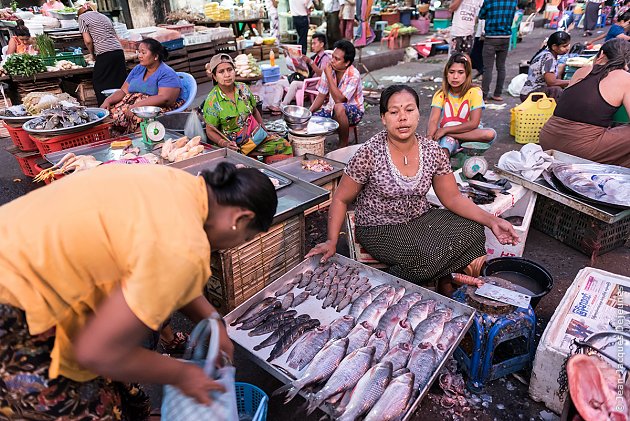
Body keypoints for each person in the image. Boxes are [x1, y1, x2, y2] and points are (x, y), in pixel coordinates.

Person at [0, 162, 278, 419]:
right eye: (247, 237)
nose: (235, 244)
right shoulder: (184, 247)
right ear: (241, 218)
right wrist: (184, 374)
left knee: (120, 389)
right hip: (14, 298)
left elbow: (161, 264)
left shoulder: (177, 184)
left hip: (16, 241)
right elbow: (95, 352)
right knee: (84, 406)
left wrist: (214, 321)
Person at [307, 85, 518, 295]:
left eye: (409, 110)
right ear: (383, 118)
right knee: (429, 254)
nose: (402, 117)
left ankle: (444, 280)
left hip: (420, 217)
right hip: (379, 227)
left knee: (472, 229)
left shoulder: (433, 151)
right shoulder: (369, 153)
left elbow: (452, 198)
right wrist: (332, 241)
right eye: (394, 111)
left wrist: (492, 221)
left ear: (418, 114)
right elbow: (341, 199)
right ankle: (390, 284)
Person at [539, 39, 630, 168]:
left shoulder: (582, 71)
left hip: (548, 137)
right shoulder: (625, 78)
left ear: (601, 54)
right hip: (579, 147)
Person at [203, 53, 292, 157]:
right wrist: (224, 143)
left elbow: (254, 111)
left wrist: (265, 131)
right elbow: (210, 130)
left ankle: (250, 154)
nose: (227, 75)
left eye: (229, 69)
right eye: (221, 72)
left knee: (284, 145)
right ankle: (247, 155)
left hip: (254, 139)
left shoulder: (243, 88)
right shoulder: (212, 101)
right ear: (214, 76)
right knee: (239, 164)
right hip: (232, 146)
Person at [102, 38, 183, 135]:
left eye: (143, 53)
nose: (139, 56)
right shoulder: (138, 69)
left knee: (140, 121)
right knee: (107, 116)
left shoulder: (166, 73)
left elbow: (165, 98)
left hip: (156, 109)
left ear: (156, 56)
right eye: (139, 52)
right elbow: (123, 91)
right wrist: (107, 101)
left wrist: (137, 106)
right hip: (132, 106)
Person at [428, 53, 497, 146]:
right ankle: (448, 139)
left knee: (490, 134)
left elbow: (474, 123)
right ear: (446, 74)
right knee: (445, 144)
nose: (455, 77)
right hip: (446, 135)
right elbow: (433, 120)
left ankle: (451, 135)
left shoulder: (474, 92)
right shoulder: (440, 94)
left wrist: (445, 130)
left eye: (460, 72)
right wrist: (429, 137)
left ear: (467, 74)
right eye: (451, 72)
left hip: (469, 133)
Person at [310, 40, 364, 148]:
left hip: (354, 112)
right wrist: (307, 113)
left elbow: (340, 100)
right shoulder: (330, 69)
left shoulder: (353, 74)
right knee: (309, 121)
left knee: (339, 107)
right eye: (332, 57)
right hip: (331, 110)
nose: (332, 61)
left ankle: (343, 144)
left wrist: (329, 75)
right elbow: (321, 96)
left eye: (337, 59)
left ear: (347, 62)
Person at [78, 4, 127, 106]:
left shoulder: (82, 18)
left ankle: (105, 109)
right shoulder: (104, 16)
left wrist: (92, 54)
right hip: (118, 51)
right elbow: (115, 36)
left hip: (105, 52)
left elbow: (87, 41)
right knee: (119, 81)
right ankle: (121, 107)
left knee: (99, 82)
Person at [479, 0, 518, 101]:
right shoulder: (513, 1)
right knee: (501, 67)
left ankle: (484, 96)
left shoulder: (488, 1)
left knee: (487, 68)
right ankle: (497, 94)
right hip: (505, 37)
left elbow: (481, 15)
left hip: (491, 37)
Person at [279, 33, 331, 108]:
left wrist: (310, 62)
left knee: (294, 84)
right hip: (306, 79)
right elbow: (304, 70)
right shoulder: (315, 56)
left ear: (322, 44)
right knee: (280, 83)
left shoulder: (325, 58)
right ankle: (275, 105)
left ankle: (283, 106)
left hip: (314, 83)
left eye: (314, 43)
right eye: (311, 44)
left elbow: (322, 74)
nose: (312, 46)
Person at [520, 31, 571, 101]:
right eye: (564, 46)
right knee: (556, 90)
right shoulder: (548, 57)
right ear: (554, 47)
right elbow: (551, 82)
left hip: (533, 91)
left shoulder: (547, 53)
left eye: (568, 45)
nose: (568, 48)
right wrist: (571, 82)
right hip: (530, 94)